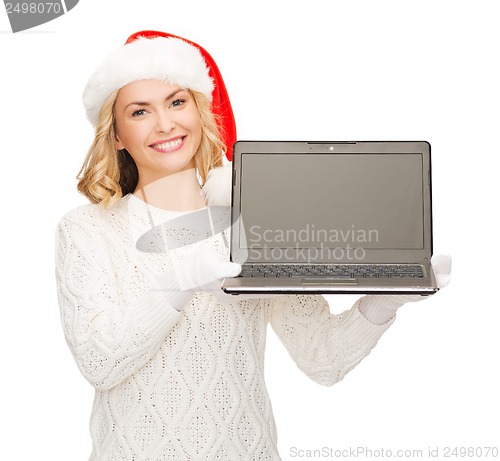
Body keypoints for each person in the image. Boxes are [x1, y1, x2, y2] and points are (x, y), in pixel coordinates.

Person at [55, 30, 451, 461]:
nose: (165, 124)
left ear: (200, 110)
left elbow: (322, 360)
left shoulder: (254, 226)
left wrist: (383, 302)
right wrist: (180, 281)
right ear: (116, 135)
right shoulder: (87, 230)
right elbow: (100, 362)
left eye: (176, 102)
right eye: (140, 112)